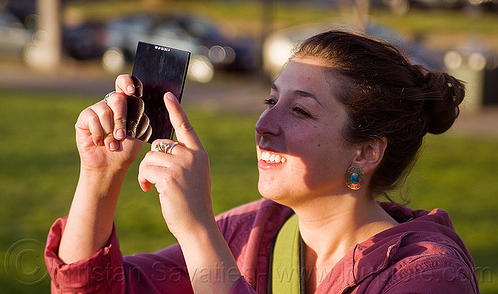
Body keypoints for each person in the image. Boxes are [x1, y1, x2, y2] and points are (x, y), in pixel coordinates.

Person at [45, 30, 479, 293]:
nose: (263, 124)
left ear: (365, 152)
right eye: (271, 100)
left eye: (300, 110)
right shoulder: (252, 232)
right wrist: (99, 177)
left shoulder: (428, 273)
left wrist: (197, 231)